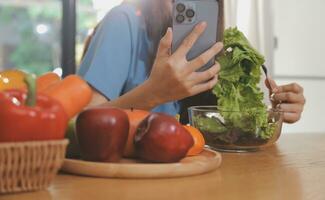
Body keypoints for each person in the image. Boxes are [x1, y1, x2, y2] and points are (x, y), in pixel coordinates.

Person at [78, 0, 305, 124]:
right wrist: (153, 93)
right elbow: (79, 122)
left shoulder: (210, 47)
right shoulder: (124, 21)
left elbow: (222, 126)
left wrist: (273, 113)